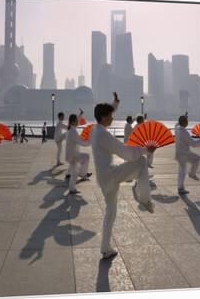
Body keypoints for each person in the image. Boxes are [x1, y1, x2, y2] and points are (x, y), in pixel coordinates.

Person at [91, 92, 154, 259]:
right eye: (111, 116)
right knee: (141, 161)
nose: (112, 118)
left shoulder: (94, 129)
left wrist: (114, 104)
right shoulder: (103, 134)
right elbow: (126, 153)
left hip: (103, 178)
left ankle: (105, 248)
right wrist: (146, 150)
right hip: (111, 175)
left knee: (110, 212)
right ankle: (144, 198)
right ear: (104, 117)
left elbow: (104, 112)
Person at [174, 114, 200, 195]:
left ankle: (180, 188)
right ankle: (192, 174)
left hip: (179, 153)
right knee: (197, 159)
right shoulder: (184, 131)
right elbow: (193, 143)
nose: (188, 122)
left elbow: (177, 124)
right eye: (187, 121)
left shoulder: (177, 128)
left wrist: (184, 116)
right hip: (184, 154)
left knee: (181, 171)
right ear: (184, 122)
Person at [65, 113, 92, 194]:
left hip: (72, 154)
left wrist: (80, 115)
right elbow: (82, 142)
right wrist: (90, 140)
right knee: (75, 171)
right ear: (73, 121)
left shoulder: (71, 129)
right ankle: (72, 187)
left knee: (86, 157)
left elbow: (79, 139)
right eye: (77, 120)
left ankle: (83, 175)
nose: (78, 122)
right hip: (73, 156)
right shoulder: (73, 131)